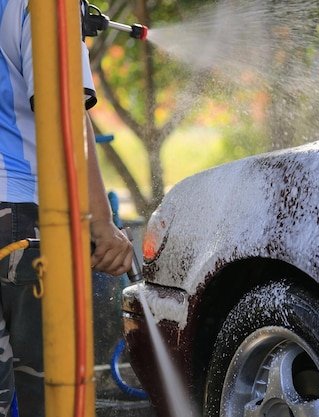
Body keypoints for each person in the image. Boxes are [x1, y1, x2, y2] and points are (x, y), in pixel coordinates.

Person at [0, 0, 134, 416]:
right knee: (47, 398)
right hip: (19, 216)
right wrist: (103, 223)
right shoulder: (43, 6)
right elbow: (66, 113)